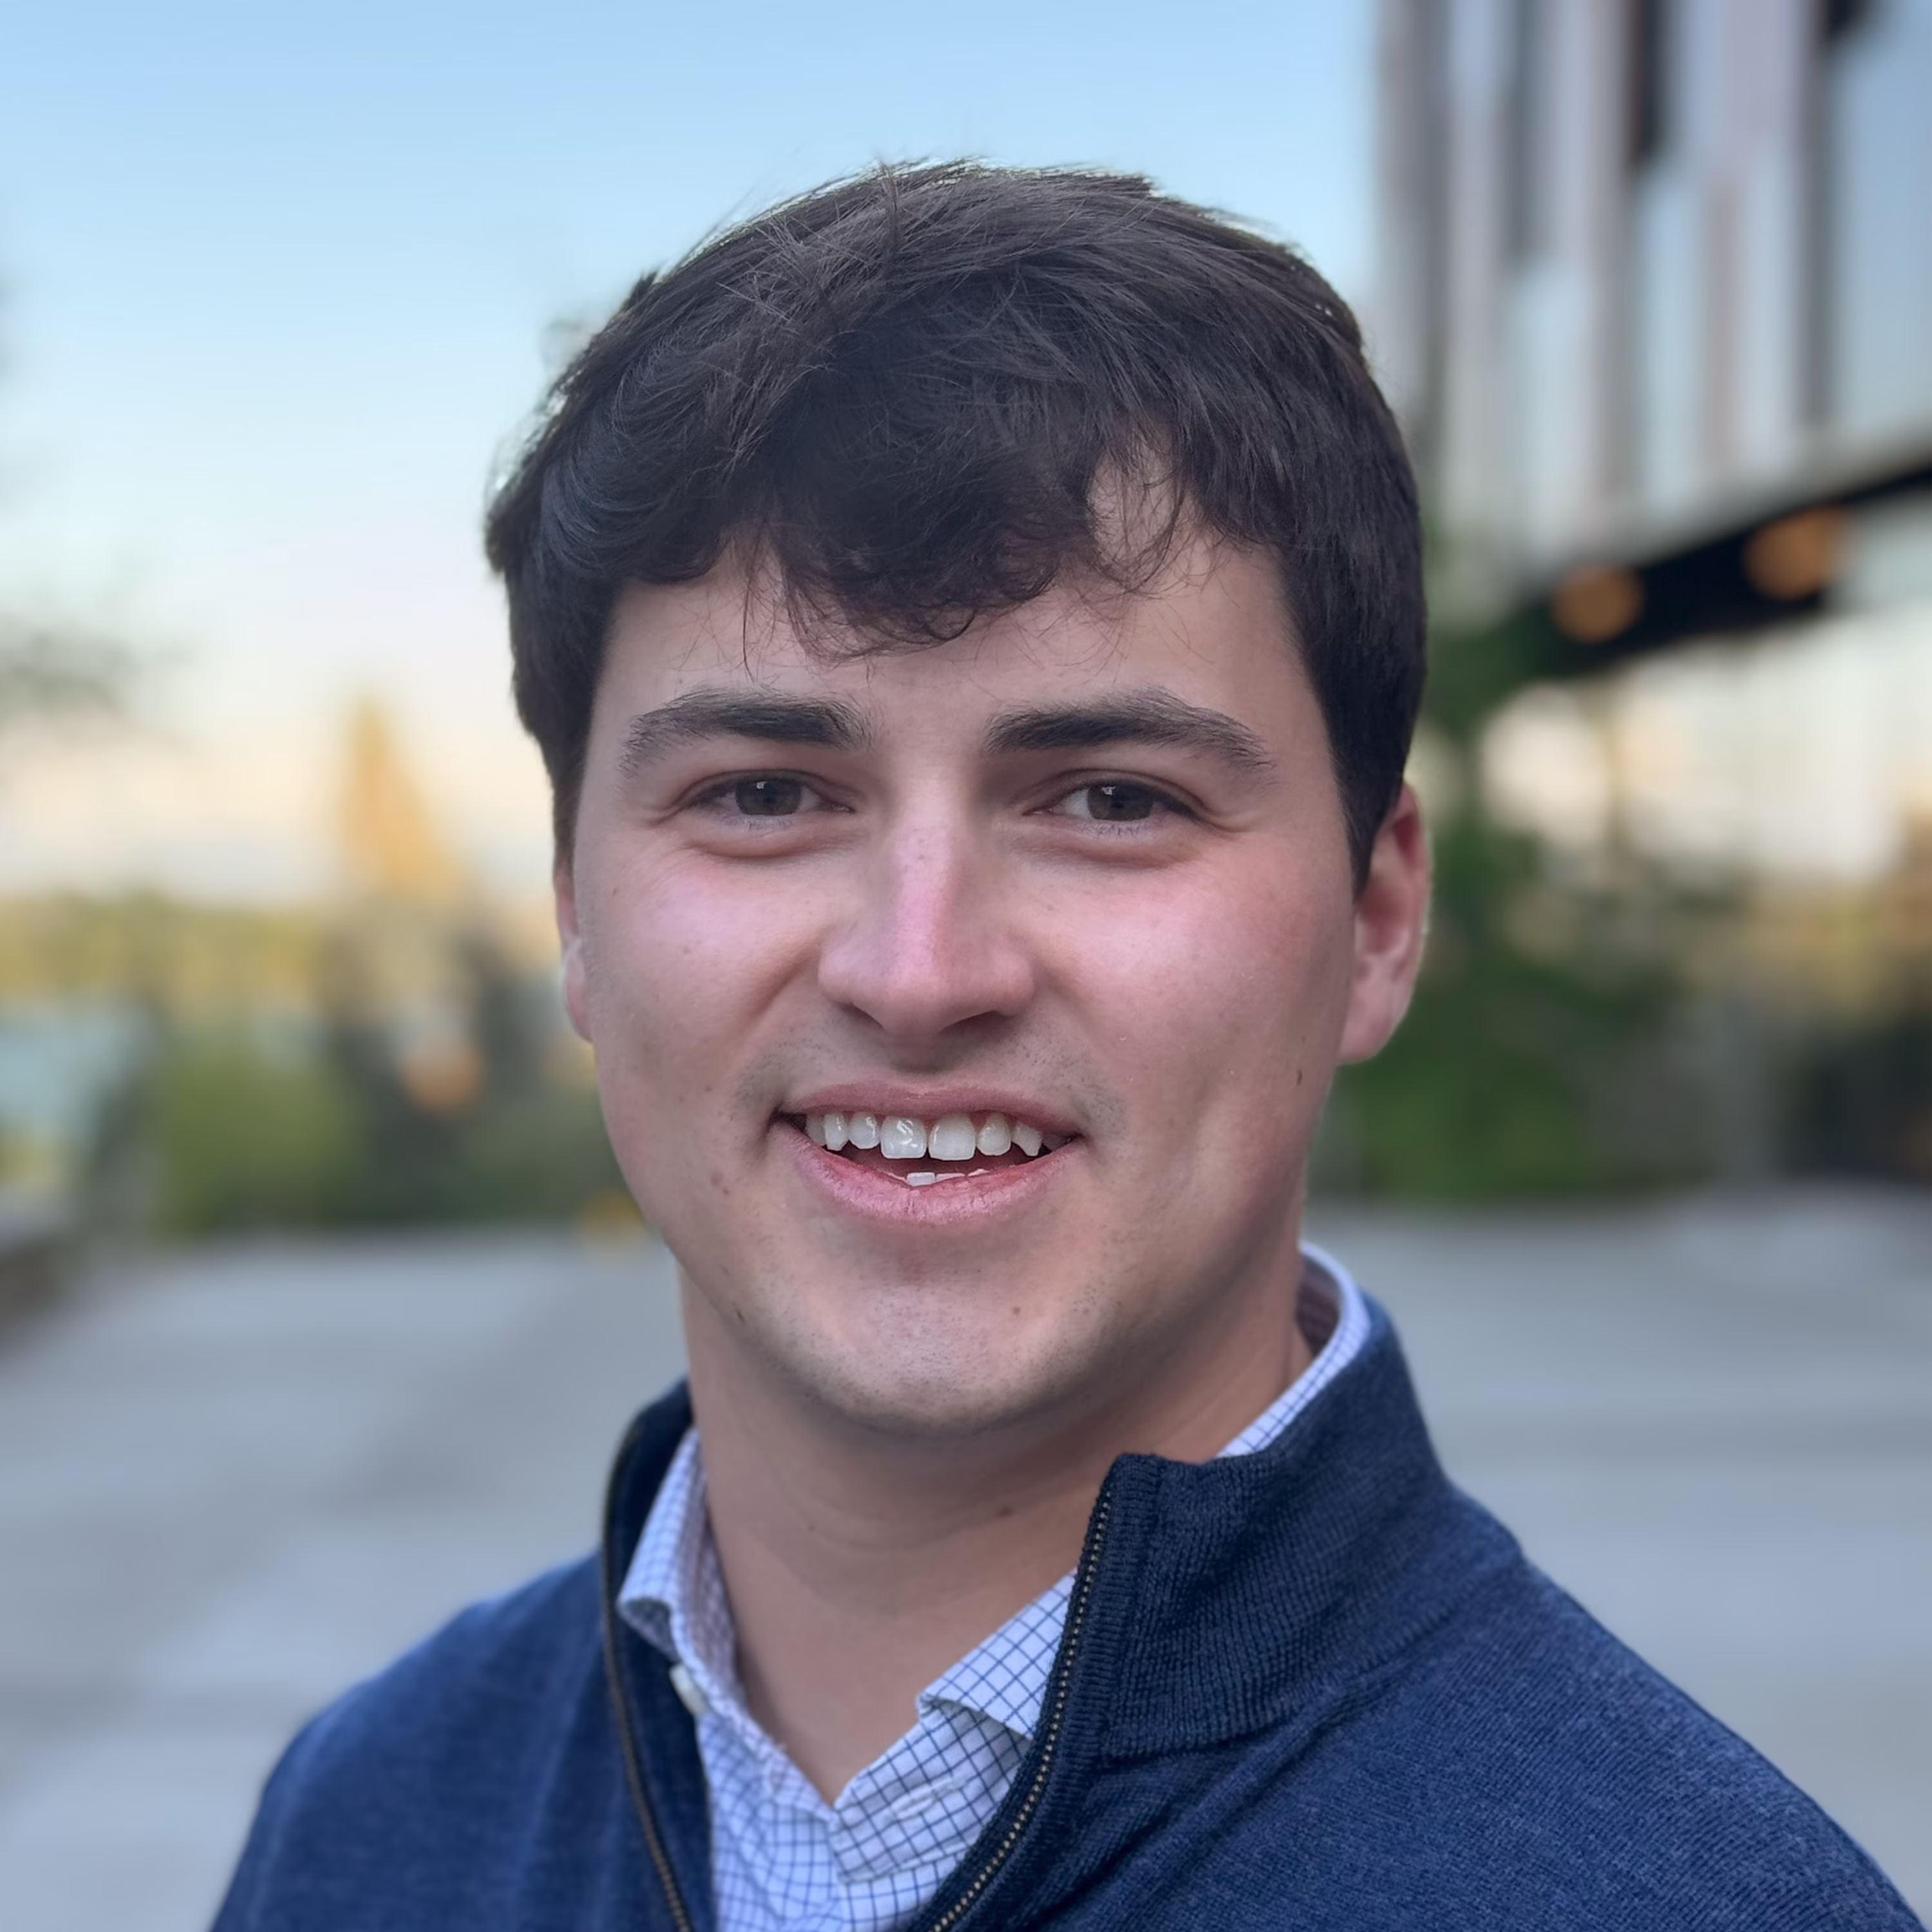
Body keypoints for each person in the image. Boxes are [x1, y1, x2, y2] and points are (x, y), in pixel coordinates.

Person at [212, 164, 1921, 1932]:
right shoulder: (373, 1821)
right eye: (766, 795)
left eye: (1111, 799)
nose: (921, 968)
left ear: (1379, 920)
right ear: (575, 910)